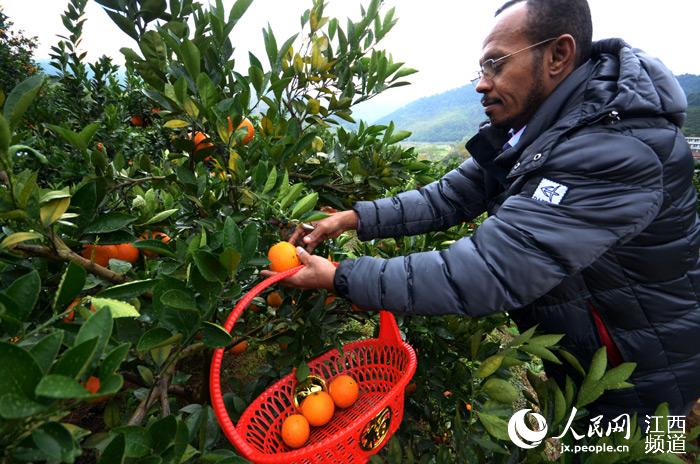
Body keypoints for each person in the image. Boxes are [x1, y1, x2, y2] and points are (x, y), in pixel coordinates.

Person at [265, 0, 700, 423]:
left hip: (641, 371)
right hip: (589, 349)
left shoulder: (615, 149)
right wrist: (351, 218)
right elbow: (448, 197)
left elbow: (488, 270)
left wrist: (340, 277)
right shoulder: (537, 132)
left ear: (558, 55)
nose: (481, 83)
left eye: (496, 64)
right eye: (481, 69)